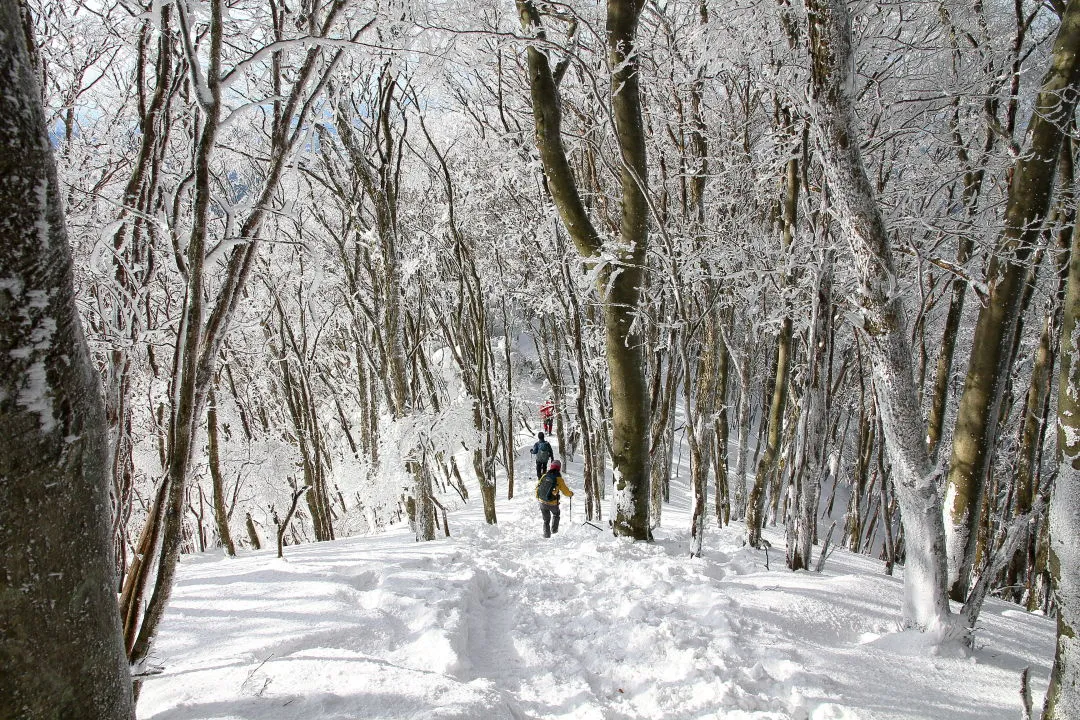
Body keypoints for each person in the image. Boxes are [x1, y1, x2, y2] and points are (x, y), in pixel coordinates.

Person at [536, 460, 573, 538]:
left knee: (546, 520)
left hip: (542, 501)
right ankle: (554, 530)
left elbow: (538, 487)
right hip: (552, 503)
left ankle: (546, 535)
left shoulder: (544, 476)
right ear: (559, 468)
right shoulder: (559, 479)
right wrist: (571, 494)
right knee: (556, 514)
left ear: (551, 467)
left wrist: (538, 497)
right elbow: (566, 492)